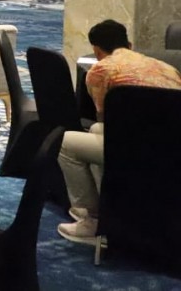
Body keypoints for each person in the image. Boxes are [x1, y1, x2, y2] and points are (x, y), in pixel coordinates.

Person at [57, 19, 181, 244]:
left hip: (133, 149)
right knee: (96, 130)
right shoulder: (167, 67)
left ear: (96, 50)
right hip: (173, 149)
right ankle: (114, 209)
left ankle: (93, 219)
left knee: (66, 143)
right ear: (130, 45)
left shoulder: (100, 70)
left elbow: (108, 120)